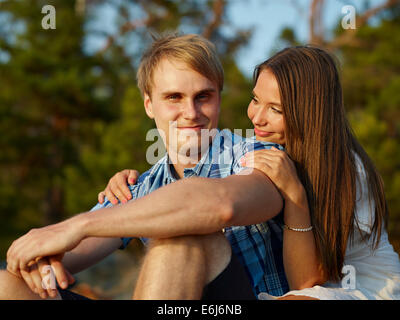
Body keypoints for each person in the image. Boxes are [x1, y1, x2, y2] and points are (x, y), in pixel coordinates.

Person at [2, 33, 298, 300]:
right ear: (148, 104)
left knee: (181, 236)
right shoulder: (140, 187)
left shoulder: (259, 155)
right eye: (174, 97)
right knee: (7, 285)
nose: (191, 113)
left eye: (203, 97)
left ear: (219, 98)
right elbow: (65, 254)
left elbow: (219, 206)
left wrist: (76, 226)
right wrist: (39, 259)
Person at [103, 46, 400, 300]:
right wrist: (134, 183)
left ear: (308, 114)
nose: (256, 117)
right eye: (256, 99)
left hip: (360, 289)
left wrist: (295, 194)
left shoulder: (343, 167)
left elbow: (307, 283)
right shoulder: (271, 154)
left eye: (276, 109)